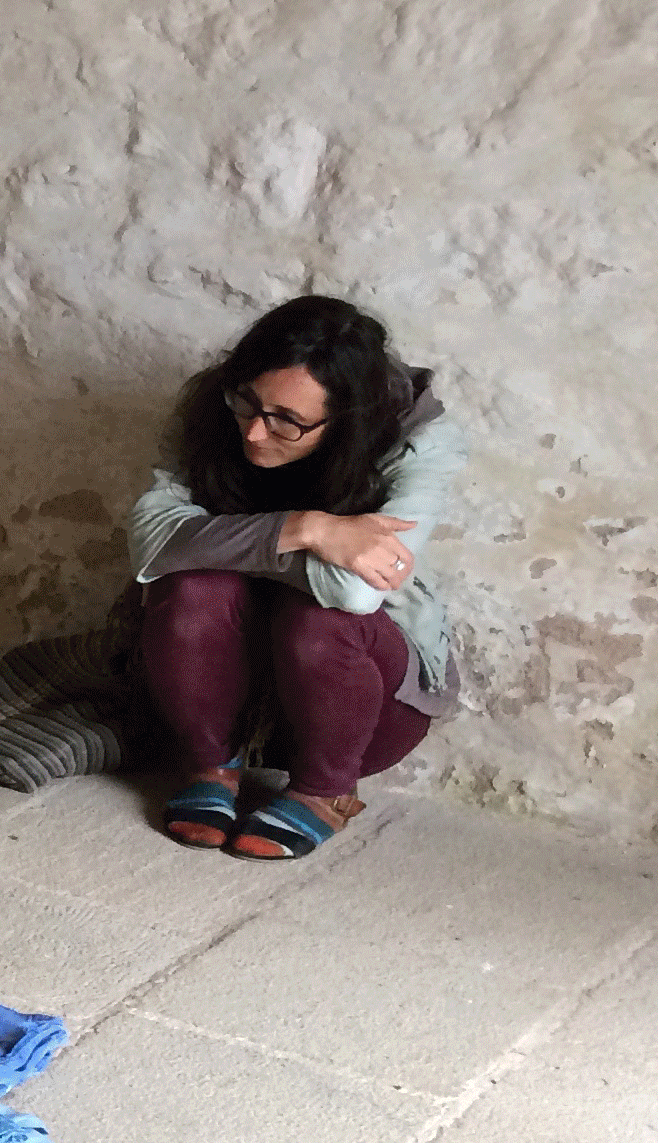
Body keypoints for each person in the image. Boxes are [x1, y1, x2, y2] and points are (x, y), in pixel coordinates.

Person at [127, 294, 464, 859]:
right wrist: (309, 529)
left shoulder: (420, 442)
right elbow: (152, 544)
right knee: (190, 588)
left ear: (345, 421)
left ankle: (322, 792)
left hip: (360, 710)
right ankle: (212, 768)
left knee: (319, 619)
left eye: (288, 421)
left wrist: (227, 543)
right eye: (249, 403)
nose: (255, 433)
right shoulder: (216, 411)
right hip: (221, 685)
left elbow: (358, 594)